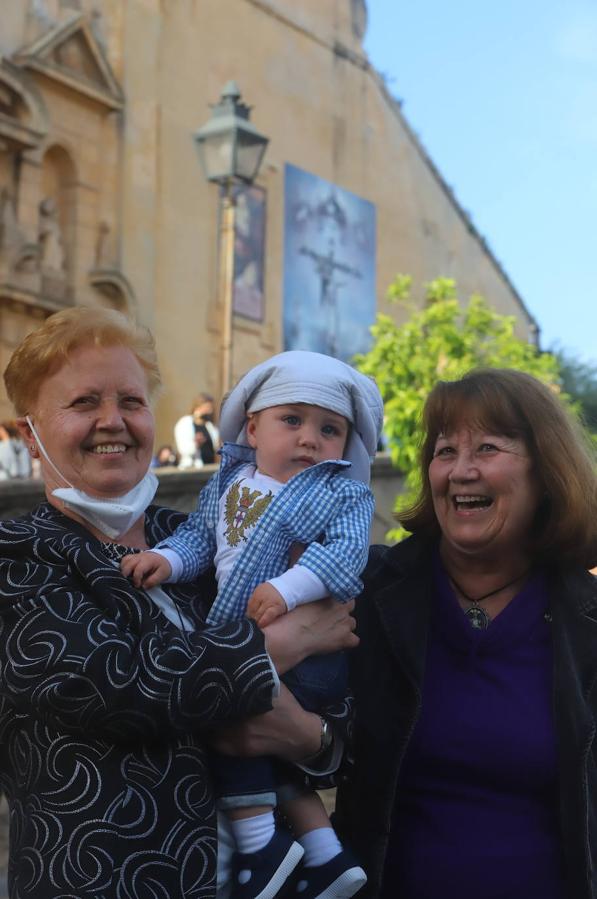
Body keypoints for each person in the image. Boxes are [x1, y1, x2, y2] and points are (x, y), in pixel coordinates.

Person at [0, 307, 358, 899]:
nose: (112, 421)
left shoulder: (203, 538)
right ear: (31, 432)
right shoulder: (18, 555)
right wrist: (274, 646)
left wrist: (308, 736)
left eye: (132, 402)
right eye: (84, 402)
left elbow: (343, 715)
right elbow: (118, 688)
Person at [122, 350, 384, 899]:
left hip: (314, 657)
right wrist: (166, 561)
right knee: (265, 745)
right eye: (292, 420)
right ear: (253, 427)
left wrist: (287, 589)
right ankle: (324, 853)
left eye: (330, 429)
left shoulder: (343, 492)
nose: (310, 439)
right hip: (255, 639)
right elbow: (199, 540)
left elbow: (344, 557)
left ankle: (261, 847)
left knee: (233, 730)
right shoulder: (227, 485)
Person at [334, 367, 597, 899]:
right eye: (445, 450)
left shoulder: (587, 620)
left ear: (547, 470)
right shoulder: (364, 591)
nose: (460, 471)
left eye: (488, 448)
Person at [175, 392, 221, 468]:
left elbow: (216, 448)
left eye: (211, 408)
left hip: (210, 468)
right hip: (192, 470)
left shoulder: (210, 426)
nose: (210, 411)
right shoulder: (185, 423)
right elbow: (183, 450)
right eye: (207, 407)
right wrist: (196, 444)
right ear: (198, 407)